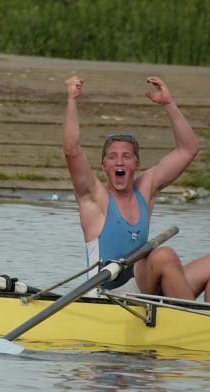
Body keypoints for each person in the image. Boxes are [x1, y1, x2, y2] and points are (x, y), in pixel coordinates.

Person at [63, 75, 210, 298]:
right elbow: (72, 151)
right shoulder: (94, 198)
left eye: (126, 157)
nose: (119, 162)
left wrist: (169, 104)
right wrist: (72, 100)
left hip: (144, 284)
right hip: (110, 292)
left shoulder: (146, 189)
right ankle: (190, 323)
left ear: (137, 164)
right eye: (112, 157)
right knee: (164, 256)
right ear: (103, 165)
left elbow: (188, 149)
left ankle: (201, 323)